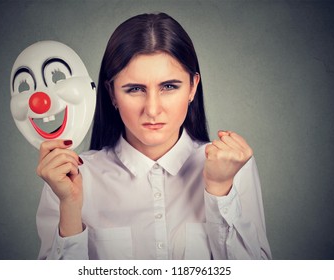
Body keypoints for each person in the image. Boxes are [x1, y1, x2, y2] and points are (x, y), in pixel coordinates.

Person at [36, 12, 272, 260]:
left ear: (192, 87)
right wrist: (71, 206)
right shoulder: (70, 178)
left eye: (169, 86)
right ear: (112, 94)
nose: (152, 109)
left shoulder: (233, 168)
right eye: (135, 89)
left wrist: (220, 192)